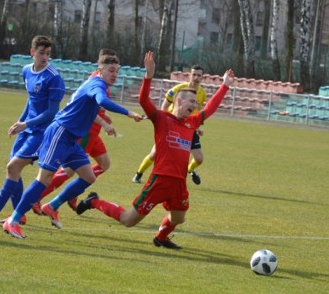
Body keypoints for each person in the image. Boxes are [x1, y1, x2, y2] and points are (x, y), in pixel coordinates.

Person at [75, 51, 234, 250]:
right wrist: (148, 77)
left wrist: (225, 85)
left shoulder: (191, 123)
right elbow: (143, 100)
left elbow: (209, 109)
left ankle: (161, 237)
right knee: (128, 220)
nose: (194, 107)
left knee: (179, 217)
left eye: (195, 104)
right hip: (160, 180)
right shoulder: (161, 118)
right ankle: (94, 201)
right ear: (178, 101)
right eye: (191, 102)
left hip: (179, 182)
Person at [2, 54, 144, 238]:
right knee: (43, 179)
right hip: (60, 133)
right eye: (111, 70)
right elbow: (102, 101)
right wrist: (129, 112)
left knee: (88, 176)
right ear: (100, 70)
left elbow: (89, 107)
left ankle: (52, 205)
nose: (115, 74)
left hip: (72, 139)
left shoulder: (94, 83)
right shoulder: (97, 85)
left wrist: (105, 124)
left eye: (117, 71)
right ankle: (12, 221)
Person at [0, 35, 65, 226]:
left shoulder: (54, 78)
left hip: (42, 132)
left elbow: (52, 112)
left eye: (48, 53)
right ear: (32, 53)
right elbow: (31, 100)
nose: (45, 57)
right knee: (14, 170)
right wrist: (20, 122)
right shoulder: (26, 71)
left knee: (12, 167)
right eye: (41, 53)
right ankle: (18, 215)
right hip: (27, 129)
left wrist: (26, 125)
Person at [32, 49, 118, 214]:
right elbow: (85, 109)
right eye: (111, 67)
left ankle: (74, 191)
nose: (114, 72)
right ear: (102, 64)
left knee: (104, 164)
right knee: (69, 170)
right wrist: (104, 123)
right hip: (85, 132)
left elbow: (94, 106)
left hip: (94, 133)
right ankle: (37, 198)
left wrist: (103, 115)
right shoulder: (97, 80)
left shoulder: (102, 80)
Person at [132, 65, 207, 185]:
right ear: (190, 76)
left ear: (203, 77)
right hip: (172, 125)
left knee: (199, 158)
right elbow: (164, 106)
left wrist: (197, 127)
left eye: (199, 75)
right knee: (154, 154)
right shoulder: (179, 89)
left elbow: (196, 112)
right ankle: (138, 174)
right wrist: (165, 122)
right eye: (194, 75)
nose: (196, 77)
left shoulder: (202, 93)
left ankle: (190, 169)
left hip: (189, 128)